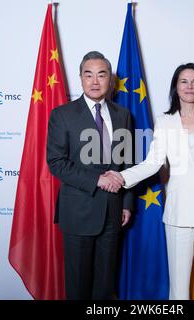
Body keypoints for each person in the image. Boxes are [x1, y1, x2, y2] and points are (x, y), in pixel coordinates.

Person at [107, 63, 194, 300]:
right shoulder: (165, 121)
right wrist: (121, 177)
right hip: (177, 214)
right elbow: (153, 163)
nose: (189, 86)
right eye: (184, 81)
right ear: (176, 87)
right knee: (178, 287)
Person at [46, 51, 133, 300]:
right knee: (79, 286)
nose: (95, 81)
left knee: (106, 286)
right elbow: (56, 162)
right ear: (81, 79)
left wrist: (127, 203)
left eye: (101, 74)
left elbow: (127, 162)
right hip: (79, 212)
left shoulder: (122, 115)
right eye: (89, 75)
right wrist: (97, 179)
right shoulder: (62, 115)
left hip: (113, 211)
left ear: (110, 80)